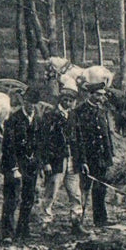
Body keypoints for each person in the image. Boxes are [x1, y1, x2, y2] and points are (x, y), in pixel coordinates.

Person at [0, 86, 44, 243]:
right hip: (15, 165)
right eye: (28, 102)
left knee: (28, 198)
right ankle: (7, 232)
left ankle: (23, 229)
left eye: (34, 103)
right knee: (11, 198)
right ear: (23, 102)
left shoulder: (38, 120)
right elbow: (8, 146)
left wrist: (39, 164)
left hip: (30, 165)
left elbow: (40, 144)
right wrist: (13, 168)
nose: (31, 106)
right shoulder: (13, 119)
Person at [39, 88, 86, 236]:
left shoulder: (73, 116)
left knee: (75, 193)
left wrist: (83, 160)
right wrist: (46, 162)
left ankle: (76, 222)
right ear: (61, 100)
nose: (68, 102)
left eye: (70, 100)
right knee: (51, 192)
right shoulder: (50, 116)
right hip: (56, 160)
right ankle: (45, 223)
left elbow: (79, 140)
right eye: (65, 99)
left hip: (73, 159)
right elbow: (44, 141)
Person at [75, 82, 115, 228]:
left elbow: (106, 135)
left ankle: (100, 220)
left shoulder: (102, 111)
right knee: (84, 189)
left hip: (102, 158)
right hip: (88, 158)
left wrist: (109, 156)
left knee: (101, 189)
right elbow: (78, 139)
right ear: (90, 94)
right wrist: (82, 160)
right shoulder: (80, 111)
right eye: (98, 95)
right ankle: (79, 221)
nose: (101, 98)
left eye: (102, 95)